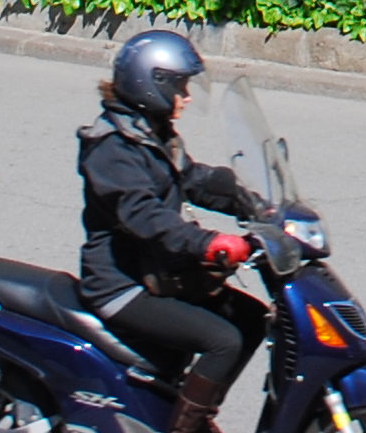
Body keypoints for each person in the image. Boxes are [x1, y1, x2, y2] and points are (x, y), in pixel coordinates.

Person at [77, 28, 267, 433]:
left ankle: (194, 412)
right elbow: (145, 216)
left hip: (156, 273)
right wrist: (210, 243)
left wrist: (248, 200)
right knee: (223, 340)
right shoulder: (111, 148)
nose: (188, 95)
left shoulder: (149, 132)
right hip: (121, 286)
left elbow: (190, 179)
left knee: (251, 317)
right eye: (181, 85)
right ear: (153, 85)